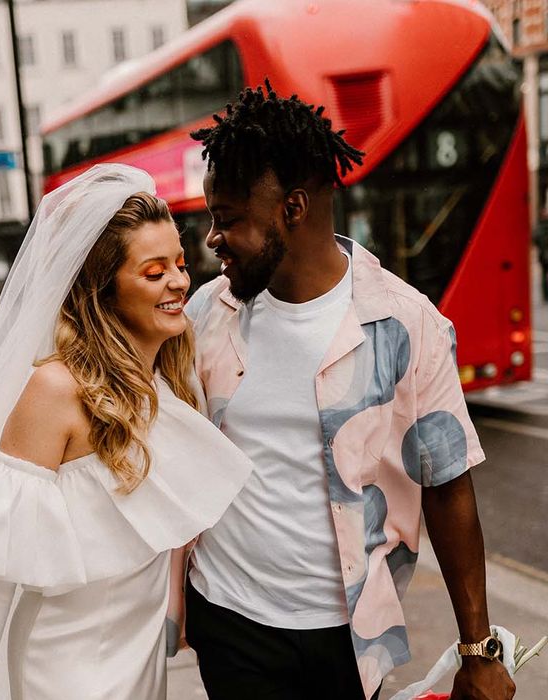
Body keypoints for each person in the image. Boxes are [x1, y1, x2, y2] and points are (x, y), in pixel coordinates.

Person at [183, 83, 516, 700]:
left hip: (348, 633)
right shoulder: (208, 311)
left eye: (228, 219)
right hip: (229, 617)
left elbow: (448, 484)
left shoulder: (405, 323)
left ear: (294, 209)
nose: (211, 238)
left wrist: (478, 650)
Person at [0, 164, 253, 699]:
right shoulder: (56, 389)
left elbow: (160, 523)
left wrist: (175, 611)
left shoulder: (166, 375)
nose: (177, 281)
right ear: (104, 288)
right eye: (153, 272)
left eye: (178, 262)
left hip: (138, 655)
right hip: (63, 662)